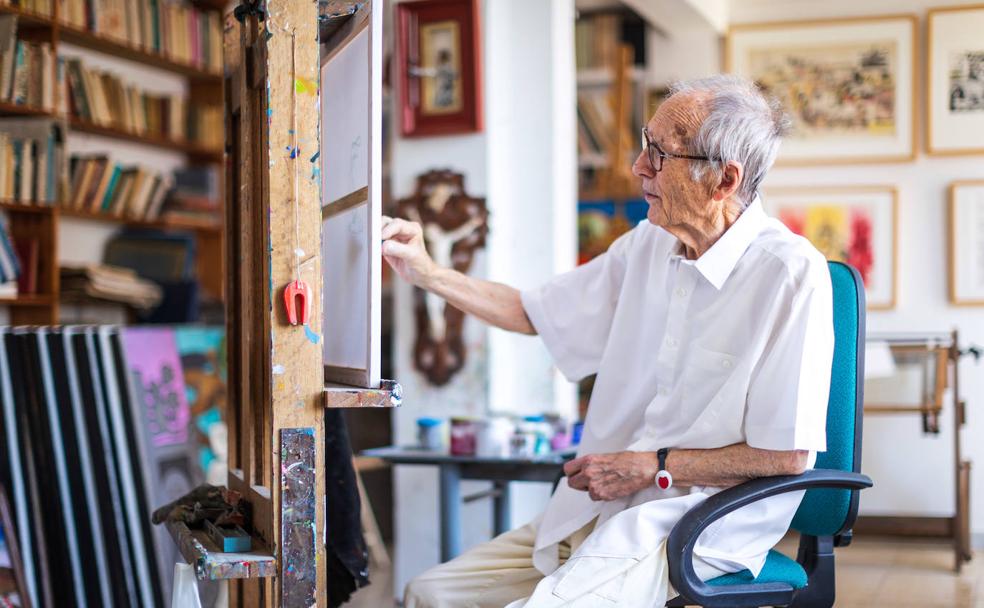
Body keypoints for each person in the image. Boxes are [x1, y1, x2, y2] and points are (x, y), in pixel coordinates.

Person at [382, 74, 833, 607]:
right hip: (603, 506)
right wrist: (428, 273)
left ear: (724, 180)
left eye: (661, 155)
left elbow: (787, 456)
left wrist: (655, 467)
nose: (639, 166)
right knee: (429, 594)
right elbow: (533, 312)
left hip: (694, 524)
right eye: (647, 144)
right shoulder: (647, 243)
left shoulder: (789, 273)